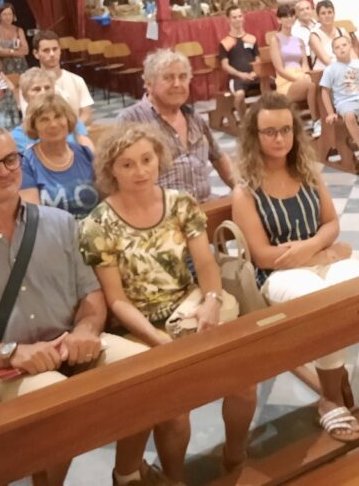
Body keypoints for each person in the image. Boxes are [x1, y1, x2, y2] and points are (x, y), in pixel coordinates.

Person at [0, 125, 168, 486]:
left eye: (10, 159)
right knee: (56, 401)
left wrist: (86, 329)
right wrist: (12, 353)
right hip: (8, 367)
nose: (3, 171)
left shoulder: (61, 224)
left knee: (146, 370)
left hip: (72, 345)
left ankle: (127, 473)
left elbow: (90, 294)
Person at [232, 94, 359, 442]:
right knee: (324, 303)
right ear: (254, 137)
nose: (279, 138)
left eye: (286, 129)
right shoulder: (246, 192)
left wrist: (311, 247)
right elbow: (263, 256)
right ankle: (330, 398)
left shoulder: (307, 173)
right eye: (269, 131)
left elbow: (331, 224)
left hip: (316, 257)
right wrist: (323, 253)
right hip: (277, 276)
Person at [80, 125, 256, 480]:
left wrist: (211, 300)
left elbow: (205, 264)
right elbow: (117, 301)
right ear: (111, 170)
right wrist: (157, 340)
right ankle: (175, 477)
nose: (140, 171)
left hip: (189, 310)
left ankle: (235, 455)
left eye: (147, 160)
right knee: (174, 412)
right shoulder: (98, 224)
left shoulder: (180, 203)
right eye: (127, 164)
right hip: (138, 327)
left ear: (159, 159)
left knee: (243, 385)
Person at [117, 49, 236, 204]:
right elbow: (121, 180)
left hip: (204, 205)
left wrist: (242, 189)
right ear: (149, 84)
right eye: (168, 77)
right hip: (162, 212)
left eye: (183, 77)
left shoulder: (193, 117)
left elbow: (218, 157)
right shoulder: (131, 120)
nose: (177, 84)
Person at [20, 94, 98, 219]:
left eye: (58, 117)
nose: (53, 124)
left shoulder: (86, 154)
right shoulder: (26, 163)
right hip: (51, 231)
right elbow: (33, 217)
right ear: (34, 126)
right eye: (44, 120)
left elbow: (107, 201)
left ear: (67, 120)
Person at [268, 4, 321, 136]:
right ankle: (316, 121)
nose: (289, 19)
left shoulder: (299, 41)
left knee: (316, 84)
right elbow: (279, 69)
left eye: (291, 16)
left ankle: (321, 121)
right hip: (286, 80)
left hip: (301, 76)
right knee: (311, 83)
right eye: (285, 16)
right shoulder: (275, 40)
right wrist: (298, 79)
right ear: (279, 20)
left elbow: (305, 64)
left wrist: (304, 75)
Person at [12, 69, 95, 152]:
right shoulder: (16, 137)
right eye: (37, 89)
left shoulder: (71, 121)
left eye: (47, 88)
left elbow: (89, 152)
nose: (43, 93)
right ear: (25, 95)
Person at [31, 31, 94, 126]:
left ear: (60, 50)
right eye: (46, 50)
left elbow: (86, 114)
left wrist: (72, 129)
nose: (52, 54)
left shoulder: (77, 80)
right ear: (36, 53)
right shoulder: (31, 85)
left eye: (55, 49)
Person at [218, 6, 260, 120]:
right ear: (228, 19)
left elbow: (258, 59)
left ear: (243, 17)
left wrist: (255, 72)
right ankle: (244, 120)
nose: (238, 19)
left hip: (254, 76)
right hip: (236, 79)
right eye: (234, 17)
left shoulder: (251, 38)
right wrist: (241, 74)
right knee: (239, 95)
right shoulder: (225, 43)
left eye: (240, 16)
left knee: (272, 87)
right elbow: (225, 65)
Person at [308, 0, 349, 71]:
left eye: (329, 12)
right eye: (323, 13)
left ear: (334, 14)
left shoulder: (342, 32)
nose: (327, 16)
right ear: (318, 16)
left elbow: (352, 54)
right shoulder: (314, 36)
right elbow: (325, 60)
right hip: (323, 71)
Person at [0, 3, 29, 76]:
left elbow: (25, 50)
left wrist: (4, 51)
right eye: (4, 14)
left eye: (10, 14)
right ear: (0, 16)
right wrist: (14, 51)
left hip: (20, 66)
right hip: (2, 67)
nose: (7, 17)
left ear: (13, 16)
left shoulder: (19, 30)